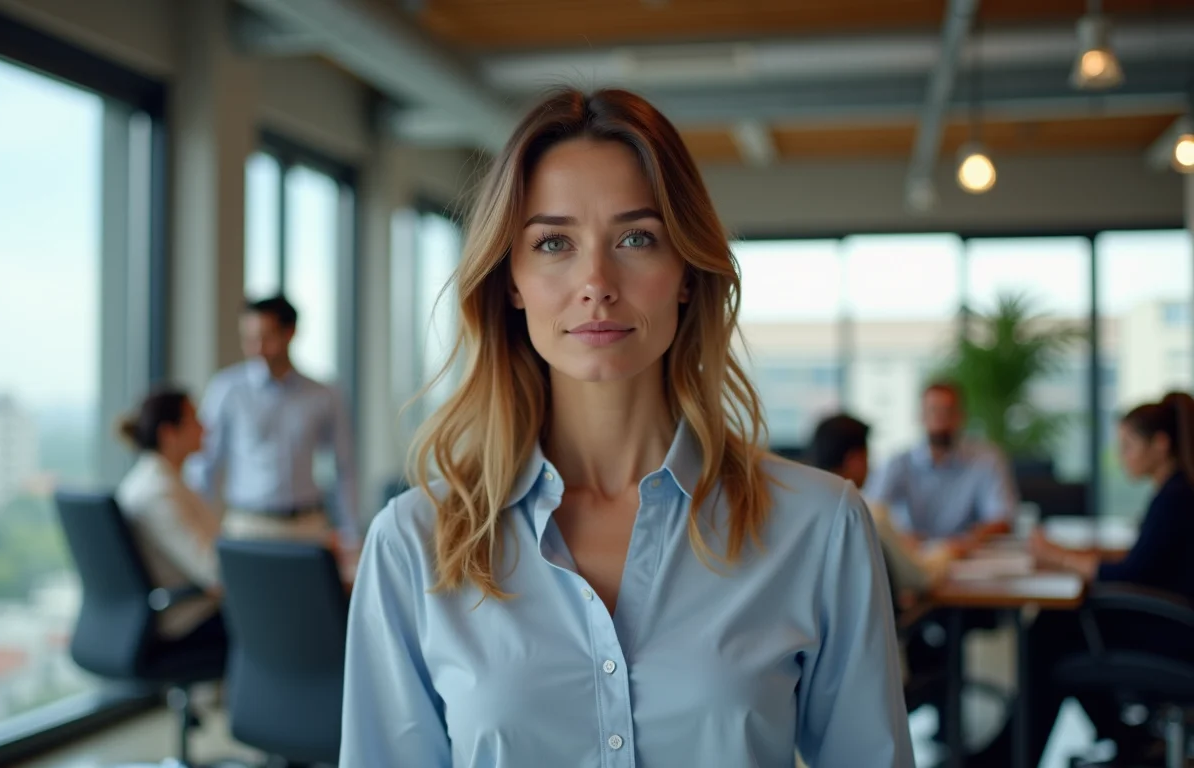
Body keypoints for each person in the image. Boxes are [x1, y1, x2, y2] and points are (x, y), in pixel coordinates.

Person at [340, 88, 913, 767]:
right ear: (511, 280)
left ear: (685, 275)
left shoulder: (819, 527)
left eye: (636, 238)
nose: (596, 281)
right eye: (553, 242)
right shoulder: (414, 544)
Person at [975, 392, 1194, 767]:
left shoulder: (1175, 497)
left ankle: (1011, 756)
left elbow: (1130, 574)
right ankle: (1122, 740)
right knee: (1055, 631)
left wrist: (1057, 557)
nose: (1122, 455)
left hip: (1174, 633)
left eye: (1128, 445)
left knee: (1052, 634)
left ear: (1160, 445)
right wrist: (1080, 555)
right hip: (1173, 623)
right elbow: (1147, 558)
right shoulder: (1176, 492)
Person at [185, 295, 360, 581]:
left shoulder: (325, 394)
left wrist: (350, 534)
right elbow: (205, 465)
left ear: (290, 333)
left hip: (308, 528)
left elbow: (345, 468)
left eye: (265, 337)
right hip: (246, 527)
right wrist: (198, 530)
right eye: (248, 338)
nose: (256, 348)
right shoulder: (227, 389)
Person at [115, 388, 226, 648]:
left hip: (180, 610)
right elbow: (214, 572)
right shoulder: (158, 493)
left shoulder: (159, 480)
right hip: (184, 621)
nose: (205, 428)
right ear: (169, 433)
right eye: (195, 420)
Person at [809, 413, 954, 599]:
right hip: (873, 626)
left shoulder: (800, 513)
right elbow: (920, 578)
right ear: (855, 460)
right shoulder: (870, 515)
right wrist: (944, 552)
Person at [865, 380, 1018, 549]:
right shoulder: (898, 463)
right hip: (914, 557)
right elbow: (871, 513)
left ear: (961, 417)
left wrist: (962, 544)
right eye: (933, 411)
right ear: (921, 416)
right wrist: (901, 540)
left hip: (972, 555)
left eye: (948, 412)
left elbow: (1002, 519)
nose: (941, 420)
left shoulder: (987, 459)